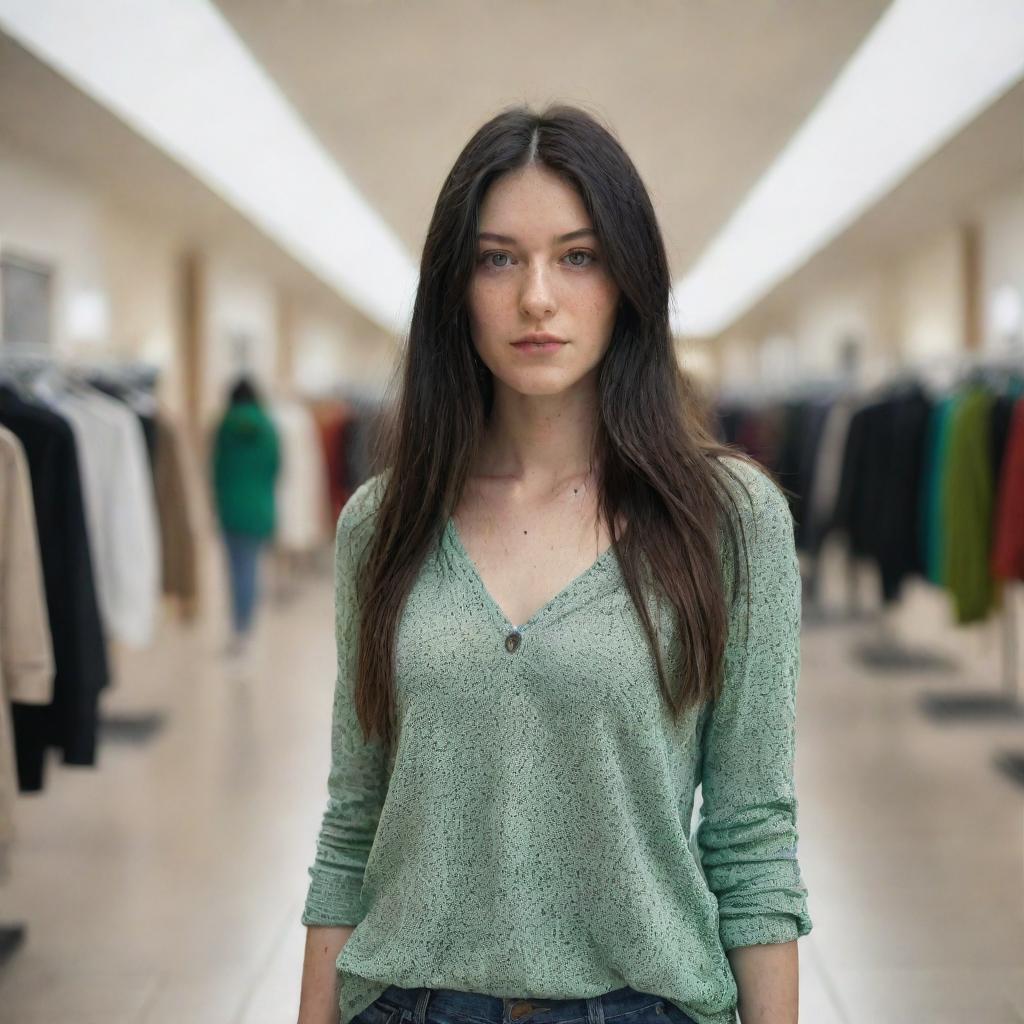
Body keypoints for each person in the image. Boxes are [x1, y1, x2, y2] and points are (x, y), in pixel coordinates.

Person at [297, 104, 812, 1024]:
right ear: (455, 286)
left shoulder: (730, 523)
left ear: (629, 282)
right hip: (405, 1004)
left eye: (578, 256)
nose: (538, 297)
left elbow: (752, 837)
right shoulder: (385, 523)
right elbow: (353, 822)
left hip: (640, 1006)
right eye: (499, 258)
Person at [211, 375, 280, 656]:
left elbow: (216, 470)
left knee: (234, 569)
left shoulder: (223, 427)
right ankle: (246, 630)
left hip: (230, 508)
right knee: (251, 569)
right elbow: (275, 467)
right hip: (259, 507)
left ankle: (236, 629)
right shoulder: (268, 427)